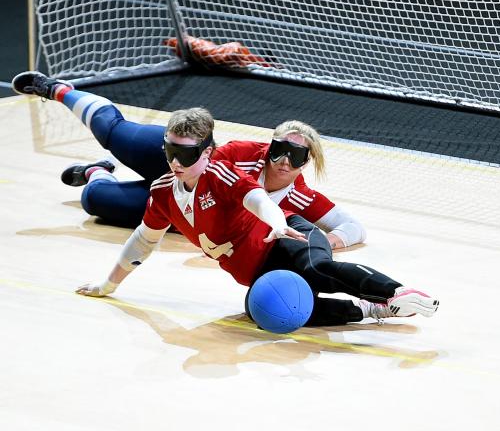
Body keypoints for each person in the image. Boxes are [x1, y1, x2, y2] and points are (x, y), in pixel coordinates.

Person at [69, 106, 439, 326]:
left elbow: (256, 198)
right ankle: (372, 309)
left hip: (286, 236)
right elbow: (143, 242)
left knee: (314, 271)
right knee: (270, 311)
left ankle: (400, 291)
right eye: (170, 153)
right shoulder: (164, 191)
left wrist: (278, 223)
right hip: (257, 269)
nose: (175, 163)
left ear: (208, 152)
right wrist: (108, 285)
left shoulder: (222, 173)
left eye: (187, 155)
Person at [12, 71, 363, 250]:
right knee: (114, 134)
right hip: (176, 160)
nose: (284, 161)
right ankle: (59, 90)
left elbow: (353, 228)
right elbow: (204, 173)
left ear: (306, 162)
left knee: (94, 201)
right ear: (268, 146)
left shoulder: (300, 196)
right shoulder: (243, 153)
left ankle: (95, 171)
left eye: (296, 156)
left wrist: (325, 243)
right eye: (279, 150)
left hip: (176, 206)